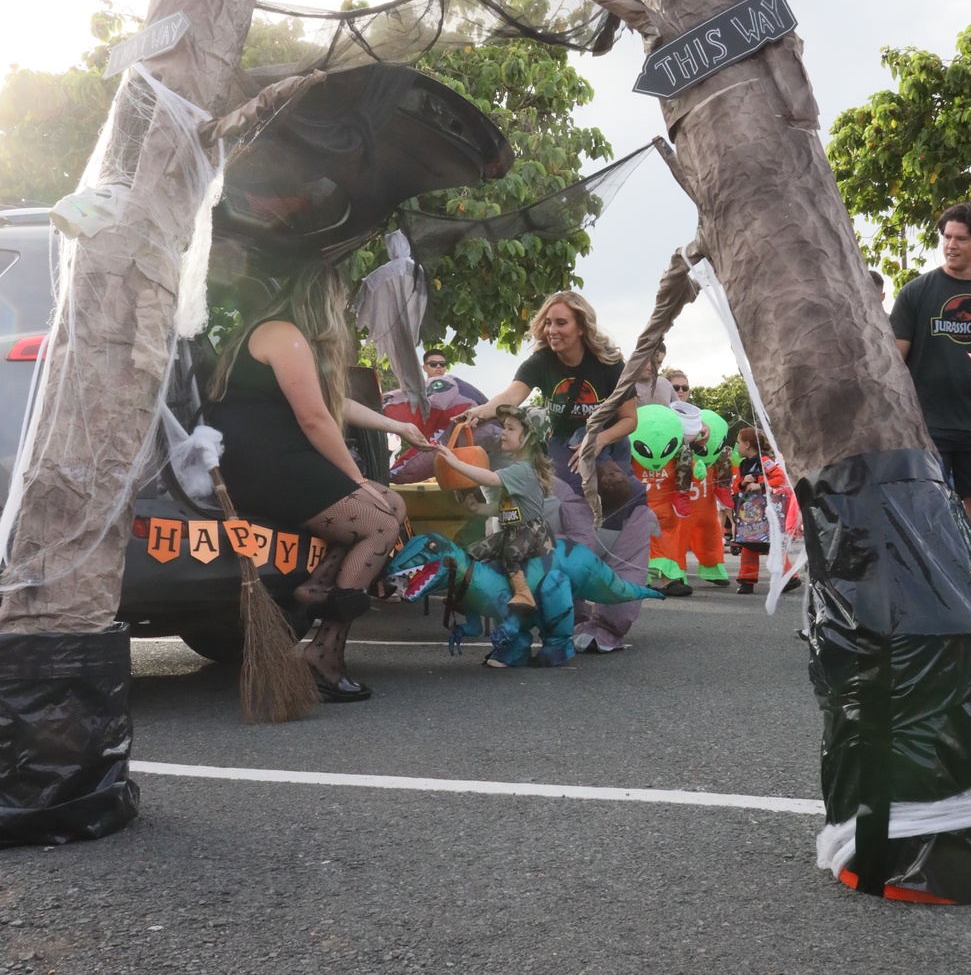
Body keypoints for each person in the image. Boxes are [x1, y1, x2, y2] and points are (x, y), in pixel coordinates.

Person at [206, 264, 429, 703]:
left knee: (393, 505)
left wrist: (396, 427)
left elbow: (328, 402)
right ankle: (325, 654)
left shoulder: (277, 333)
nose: (345, 310)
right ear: (323, 299)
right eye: (342, 300)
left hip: (273, 461)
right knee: (379, 523)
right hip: (268, 465)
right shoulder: (282, 334)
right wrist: (355, 478)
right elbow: (314, 418)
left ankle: (318, 586)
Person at [460, 291, 650, 652]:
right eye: (548, 322)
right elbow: (510, 397)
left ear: (581, 326)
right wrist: (479, 412)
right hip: (562, 450)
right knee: (555, 515)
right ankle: (570, 614)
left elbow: (630, 419)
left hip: (607, 450)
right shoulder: (541, 362)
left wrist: (597, 439)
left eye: (561, 322)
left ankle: (611, 623)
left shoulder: (610, 363)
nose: (552, 329)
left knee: (628, 509)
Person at [890, 201, 971, 581]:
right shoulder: (916, 292)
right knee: (926, 512)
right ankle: (930, 597)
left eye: (961, 239)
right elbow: (892, 363)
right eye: (946, 236)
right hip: (926, 424)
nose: (950, 245)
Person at [435, 405, 554, 614]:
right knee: (474, 551)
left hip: (532, 532)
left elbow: (490, 478)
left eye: (510, 429)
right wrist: (477, 507)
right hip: (514, 529)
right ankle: (467, 598)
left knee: (511, 553)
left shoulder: (522, 471)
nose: (503, 433)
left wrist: (455, 463)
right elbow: (508, 511)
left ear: (531, 439)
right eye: (504, 427)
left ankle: (524, 594)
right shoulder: (517, 470)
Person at [732, 426, 797, 596]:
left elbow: (780, 478)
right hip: (749, 511)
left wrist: (760, 484)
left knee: (770, 543)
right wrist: (743, 483)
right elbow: (735, 486)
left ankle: (790, 577)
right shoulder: (743, 465)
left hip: (766, 509)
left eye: (738, 443)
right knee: (748, 544)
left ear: (747, 444)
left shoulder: (765, 460)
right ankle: (747, 580)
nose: (736, 447)